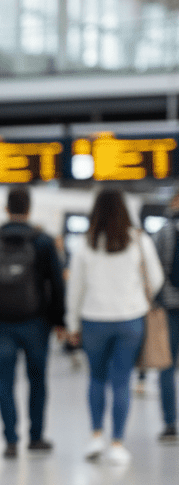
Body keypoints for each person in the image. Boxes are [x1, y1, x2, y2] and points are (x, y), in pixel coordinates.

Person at [66, 190, 164, 466]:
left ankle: (96, 435)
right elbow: (155, 279)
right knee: (121, 381)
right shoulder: (138, 240)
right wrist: (136, 298)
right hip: (130, 320)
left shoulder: (85, 244)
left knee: (96, 379)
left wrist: (72, 323)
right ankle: (118, 443)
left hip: (94, 319)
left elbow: (75, 289)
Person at [0, 187, 65, 459]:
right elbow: (56, 284)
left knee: (5, 382)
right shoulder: (43, 241)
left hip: (0, 322)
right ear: (29, 208)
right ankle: (36, 438)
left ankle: (10, 440)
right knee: (37, 381)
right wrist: (60, 321)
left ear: (7, 208)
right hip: (36, 322)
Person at [152, 191, 179, 442]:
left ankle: (170, 423)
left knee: (166, 367)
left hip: (169, 308)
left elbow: (153, 271)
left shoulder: (163, 232)